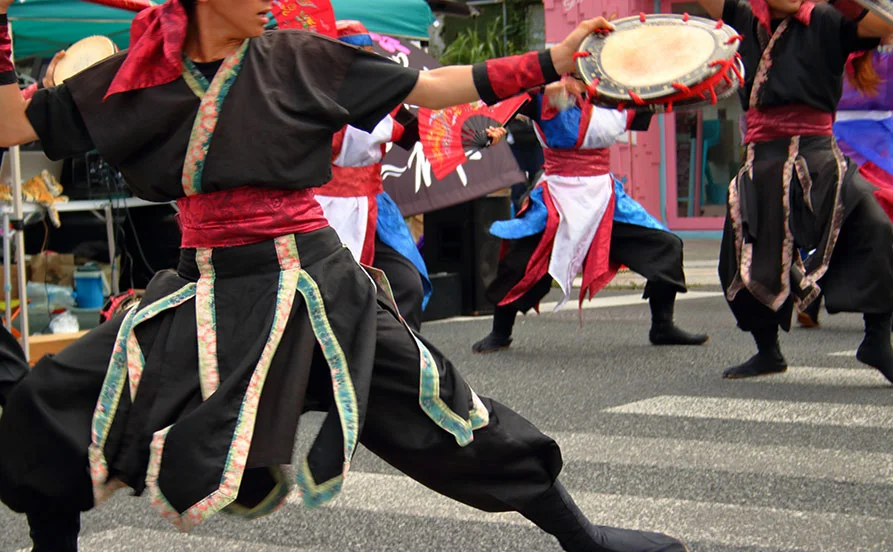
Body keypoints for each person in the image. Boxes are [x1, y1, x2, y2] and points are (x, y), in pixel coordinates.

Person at [0, 1, 688, 551]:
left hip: (316, 288)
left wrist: (551, 60)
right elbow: (10, 125)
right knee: (50, 402)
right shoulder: (134, 78)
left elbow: (430, 87)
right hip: (203, 291)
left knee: (445, 411)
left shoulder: (299, 56)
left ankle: (582, 539)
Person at [694, 0, 893, 381]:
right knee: (743, 257)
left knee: (875, 229)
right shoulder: (745, 18)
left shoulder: (826, 19)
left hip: (818, 156)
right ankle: (768, 351)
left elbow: (885, 26)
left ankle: (877, 340)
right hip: (762, 159)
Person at [472, 78, 709, 353]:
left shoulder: (616, 98)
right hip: (557, 195)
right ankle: (500, 332)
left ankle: (662, 326)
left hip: (604, 196)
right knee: (519, 260)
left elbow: (659, 98)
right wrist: (540, 94)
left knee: (666, 245)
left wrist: (686, 81)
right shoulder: (545, 97)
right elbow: (507, 93)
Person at [317, 20, 506, 331]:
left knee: (406, 285)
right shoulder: (311, 101)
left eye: (368, 56)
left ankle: (399, 357)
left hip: (374, 211)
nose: (364, 65)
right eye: (355, 56)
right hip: (320, 212)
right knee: (328, 299)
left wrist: (478, 137)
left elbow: (424, 132)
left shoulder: (383, 97)